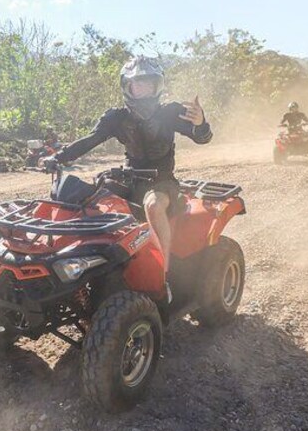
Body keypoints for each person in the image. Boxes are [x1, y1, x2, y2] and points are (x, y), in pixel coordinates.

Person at [43, 55, 212, 283]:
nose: (142, 89)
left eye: (147, 83)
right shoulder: (117, 117)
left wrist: (200, 124)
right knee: (89, 202)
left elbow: (202, 138)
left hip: (162, 181)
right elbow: (90, 140)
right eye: (136, 84)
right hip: (128, 179)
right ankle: (78, 263)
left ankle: (162, 275)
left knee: (153, 206)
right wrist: (58, 157)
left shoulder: (170, 112)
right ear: (127, 87)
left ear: (157, 86)